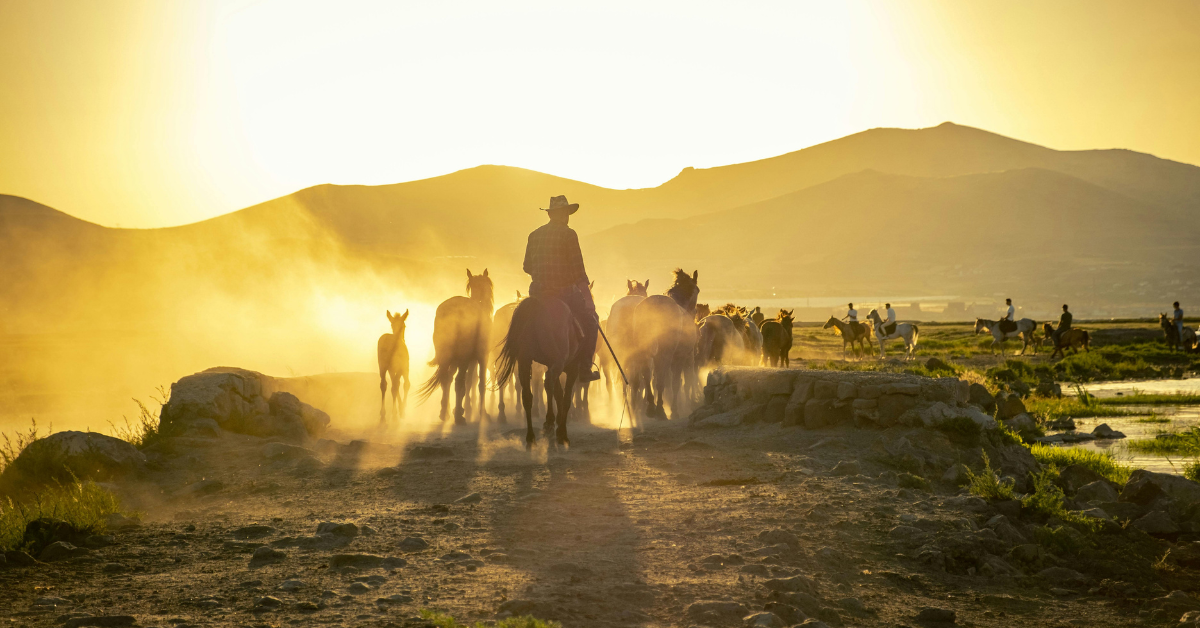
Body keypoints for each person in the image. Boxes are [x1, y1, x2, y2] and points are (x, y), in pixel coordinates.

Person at [523, 195, 601, 381]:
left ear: (550, 214)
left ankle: (523, 357)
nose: (567, 217)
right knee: (591, 321)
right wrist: (588, 299)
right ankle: (584, 367)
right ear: (563, 214)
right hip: (563, 292)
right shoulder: (569, 234)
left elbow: (526, 266)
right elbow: (578, 271)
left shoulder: (534, 235)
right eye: (566, 213)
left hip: (537, 294)